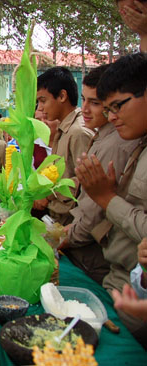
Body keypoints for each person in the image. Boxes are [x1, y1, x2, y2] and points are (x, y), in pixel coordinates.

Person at [75, 52, 147, 347]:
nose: (112, 116)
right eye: (109, 108)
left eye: (118, 106)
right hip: (123, 287)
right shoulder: (137, 143)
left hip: (130, 297)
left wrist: (106, 198)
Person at [62, 65, 139, 285]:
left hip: (94, 255)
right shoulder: (102, 137)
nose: (84, 109)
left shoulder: (115, 144)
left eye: (95, 103)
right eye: (84, 100)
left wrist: (61, 238)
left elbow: (95, 212)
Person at [34, 66, 93, 225]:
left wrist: (48, 196)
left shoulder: (78, 132)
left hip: (72, 223)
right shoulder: (63, 129)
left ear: (61, 96)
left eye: (43, 100)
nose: (40, 108)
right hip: (58, 219)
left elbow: (85, 181)